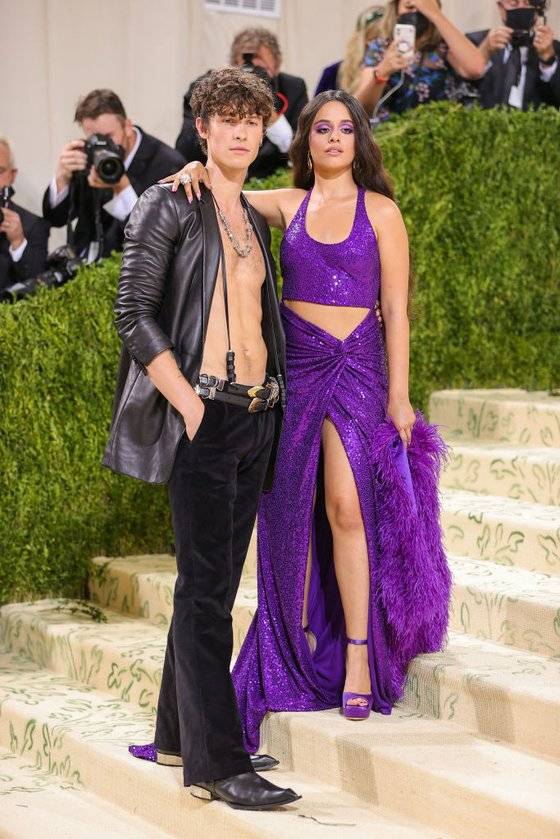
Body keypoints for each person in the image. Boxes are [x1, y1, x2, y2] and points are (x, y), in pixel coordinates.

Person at [167, 89, 451, 753]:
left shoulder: (382, 212)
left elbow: (398, 311)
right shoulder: (286, 204)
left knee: (347, 507)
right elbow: (226, 193)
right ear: (306, 141)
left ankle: (357, 652)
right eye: (321, 128)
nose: (331, 138)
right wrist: (194, 170)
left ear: (359, 140)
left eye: (343, 128)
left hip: (359, 371)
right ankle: (292, 653)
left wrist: (401, 394)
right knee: (289, 515)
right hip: (298, 373)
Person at [102, 66, 300, 811]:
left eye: (253, 118)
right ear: (204, 129)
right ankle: (221, 761)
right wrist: (186, 404)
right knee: (208, 592)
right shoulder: (170, 201)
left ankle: (181, 732)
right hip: (207, 415)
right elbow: (133, 311)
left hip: (255, 415)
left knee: (208, 585)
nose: (243, 130)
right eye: (227, 118)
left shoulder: (250, 212)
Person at [43, 89, 185, 261]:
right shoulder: (90, 156)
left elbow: (159, 238)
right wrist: (62, 178)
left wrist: (122, 189)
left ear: (127, 126)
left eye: (109, 137)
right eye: (95, 139)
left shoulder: (168, 165)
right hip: (82, 267)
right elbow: (56, 219)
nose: (103, 146)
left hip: (130, 270)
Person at [175, 28, 308, 179]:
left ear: (276, 67)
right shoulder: (205, 87)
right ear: (232, 65)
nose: (254, 74)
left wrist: (265, 108)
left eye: (262, 68)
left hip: (269, 181)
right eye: (246, 67)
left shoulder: (293, 88)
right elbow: (185, 151)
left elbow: (301, 153)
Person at [355, 0, 486, 120]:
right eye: (409, 6)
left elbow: (476, 68)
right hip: (392, 136)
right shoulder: (380, 48)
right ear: (395, 10)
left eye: (422, 6)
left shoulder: (444, 46)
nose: (416, 11)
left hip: (440, 132)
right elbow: (360, 108)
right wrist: (381, 73)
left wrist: (434, 13)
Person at [467, 0, 560, 109]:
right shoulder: (474, 43)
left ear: (537, 9)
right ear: (501, 7)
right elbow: (460, 90)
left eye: (527, 3)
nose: (521, 8)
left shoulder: (554, 49)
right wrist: (484, 52)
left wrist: (548, 61)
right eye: (513, 3)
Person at [0, 136, 49, 294]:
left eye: (0, 171)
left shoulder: (33, 224)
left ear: (12, 175)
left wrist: (18, 242)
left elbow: (39, 285)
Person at [314, 5, 385, 95]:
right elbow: (318, 107)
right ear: (366, 39)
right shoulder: (333, 73)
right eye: (377, 39)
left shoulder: (400, 74)